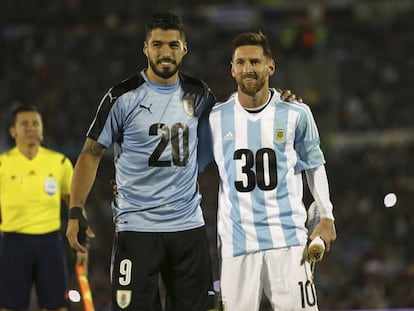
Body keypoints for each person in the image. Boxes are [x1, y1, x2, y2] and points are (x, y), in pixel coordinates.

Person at [65, 12, 217, 311]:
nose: (165, 52)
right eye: (158, 44)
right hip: (136, 228)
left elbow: (217, 144)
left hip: (187, 228)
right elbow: (90, 153)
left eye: (173, 45)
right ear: (145, 48)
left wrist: (281, 100)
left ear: (184, 48)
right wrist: (75, 210)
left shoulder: (200, 95)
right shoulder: (122, 96)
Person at [205, 32, 337, 310]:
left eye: (255, 61)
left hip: (288, 242)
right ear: (232, 68)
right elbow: (188, 165)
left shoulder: (296, 112)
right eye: (240, 62)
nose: (247, 69)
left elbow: (314, 164)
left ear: (270, 66)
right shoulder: (216, 118)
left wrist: (326, 213)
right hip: (237, 247)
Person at [0, 104, 88, 311]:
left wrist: (83, 242)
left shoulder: (59, 163)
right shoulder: (3, 164)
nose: (31, 127)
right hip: (13, 242)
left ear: (42, 128)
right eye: (24, 123)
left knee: (57, 305)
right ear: (13, 131)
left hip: (49, 243)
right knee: (9, 306)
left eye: (35, 123)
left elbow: (76, 204)